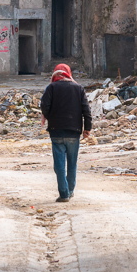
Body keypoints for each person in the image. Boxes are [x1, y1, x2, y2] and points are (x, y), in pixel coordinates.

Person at [39, 63, 92, 203]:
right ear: (68, 73)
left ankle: (64, 194)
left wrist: (50, 116)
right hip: (74, 132)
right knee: (72, 163)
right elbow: (86, 110)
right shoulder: (78, 88)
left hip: (56, 132)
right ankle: (70, 190)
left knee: (59, 165)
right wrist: (87, 128)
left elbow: (44, 105)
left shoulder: (51, 88)